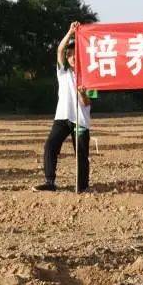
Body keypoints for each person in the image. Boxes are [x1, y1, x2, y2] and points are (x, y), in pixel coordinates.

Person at [34, 22, 91, 192]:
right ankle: (50, 182)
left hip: (80, 121)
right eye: (71, 54)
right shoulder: (63, 73)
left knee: (80, 154)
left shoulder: (90, 77)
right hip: (62, 117)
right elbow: (59, 50)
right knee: (50, 146)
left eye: (76, 54)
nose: (73, 57)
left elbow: (88, 102)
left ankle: (82, 186)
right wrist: (70, 32)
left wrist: (82, 93)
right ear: (67, 57)